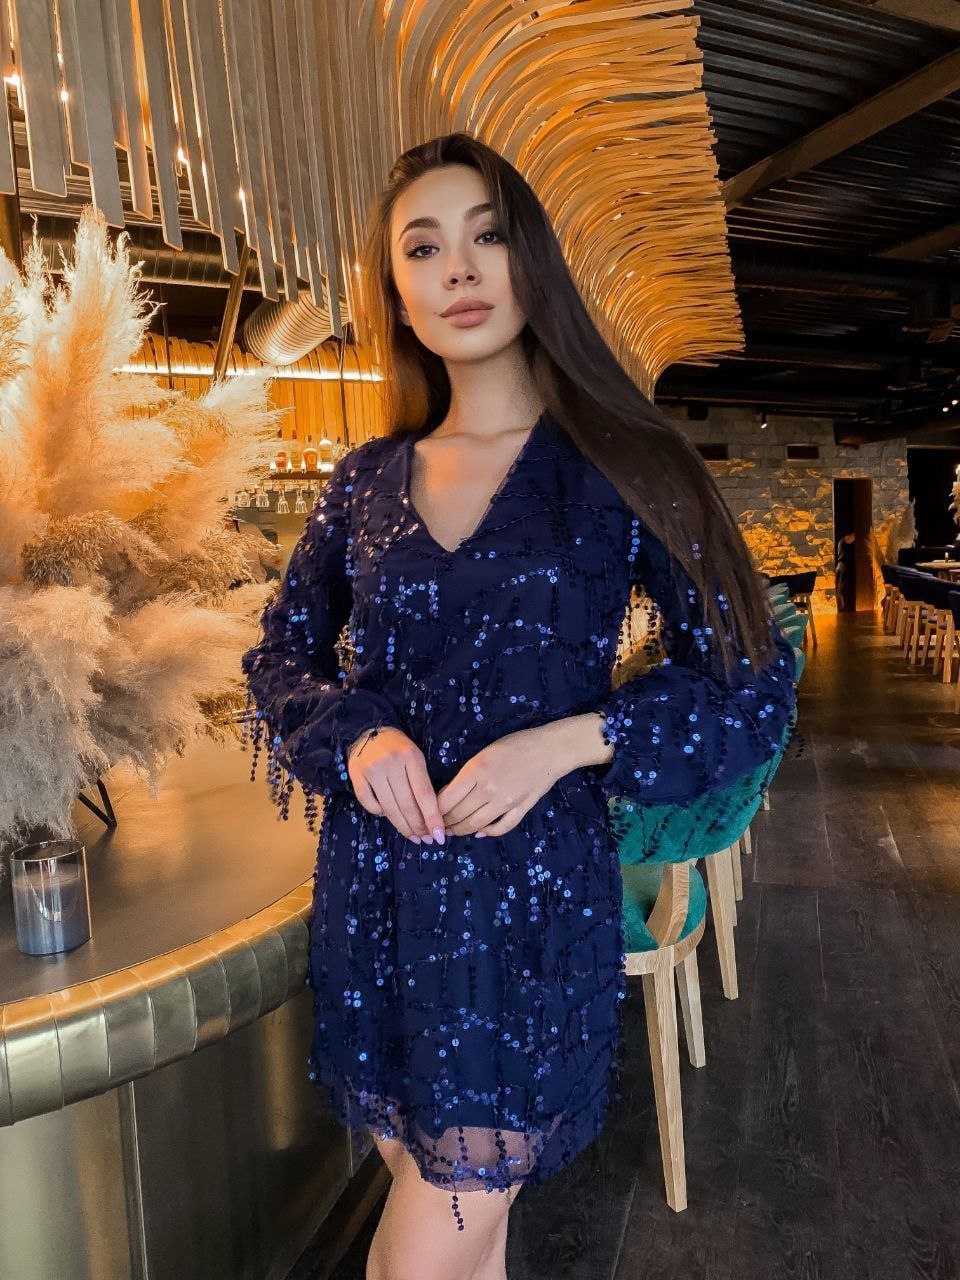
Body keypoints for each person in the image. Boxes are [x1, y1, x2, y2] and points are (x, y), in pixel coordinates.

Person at [241, 132, 798, 1280]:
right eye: (424, 246)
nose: (459, 269)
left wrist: (571, 739)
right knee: (455, 1228)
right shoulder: (365, 481)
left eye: (486, 235)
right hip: (378, 903)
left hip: (528, 913)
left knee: (418, 1256)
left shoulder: (621, 461)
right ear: (394, 287)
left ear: (530, 257)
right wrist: (356, 734)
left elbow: (748, 683)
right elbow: (279, 656)